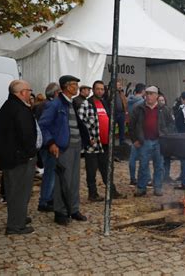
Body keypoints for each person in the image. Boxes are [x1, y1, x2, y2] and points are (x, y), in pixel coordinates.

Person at [39, 75, 89, 226]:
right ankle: (60, 212)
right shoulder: (55, 104)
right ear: (66, 87)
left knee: (74, 180)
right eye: (74, 84)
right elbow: (43, 125)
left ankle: (73, 209)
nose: (76, 87)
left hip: (75, 146)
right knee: (62, 180)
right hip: (63, 147)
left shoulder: (71, 103)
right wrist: (51, 143)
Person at [0, 80, 40, 235]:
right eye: (28, 90)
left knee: (17, 191)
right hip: (19, 158)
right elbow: (26, 135)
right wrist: (30, 153)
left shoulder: (10, 106)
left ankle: (18, 217)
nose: (30, 93)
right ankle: (15, 225)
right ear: (21, 93)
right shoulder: (18, 109)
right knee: (19, 191)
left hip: (13, 157)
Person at [78, 80, 124, 202]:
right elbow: (80, 122)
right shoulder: (86, 103)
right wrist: (87, 138)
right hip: (93, 144)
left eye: (102, 89)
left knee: (106, 169)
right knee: (91, 170)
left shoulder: (104, 103)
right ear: (93, 90)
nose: (100, 91)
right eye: (97, 89)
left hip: (105, 143)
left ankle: (112, 192)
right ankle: (92, 194)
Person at [129, 86, 174, 197]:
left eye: (152, 94)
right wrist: (134, 139)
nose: (149, 96)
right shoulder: (138, 108)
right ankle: (141, 188)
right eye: (147, 93)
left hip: (159, 141)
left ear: (157, 96)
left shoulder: (164, 109)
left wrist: (165, 135)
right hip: (144, 141)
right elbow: (131, 126)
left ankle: (157, 187)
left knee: (159, 166)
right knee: (143, 165)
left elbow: (171, 124)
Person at [36, 82, 61, 212]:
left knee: (51, 173)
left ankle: (49, 197)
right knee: (50, 174)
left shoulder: (42, 105)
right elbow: (45, 126)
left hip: (47, 144)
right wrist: (51, 142)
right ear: (56, 93)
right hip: (49, 145)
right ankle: (44, 201)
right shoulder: (48, 106)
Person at [127, 83, 146, 186]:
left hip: (132, 131)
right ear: (143, 91)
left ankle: (132, 178)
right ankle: (144, 179)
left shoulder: (129, 101)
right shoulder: (143, 103)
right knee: (144, 157)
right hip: (141, 132)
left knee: (133, 158)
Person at [157, 93, 174, 182]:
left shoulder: (167, 110)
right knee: (159, 158)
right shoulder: (155, 111)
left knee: (167, 157)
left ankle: (166, 175)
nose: (161, 102)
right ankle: (160, 175)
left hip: (166, 137)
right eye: (159, 100)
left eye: (162, 100)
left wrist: (167, 131)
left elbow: (171, 123)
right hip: (158, 137)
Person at [115, 80, 129, 145]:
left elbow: (125, 102)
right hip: (114, 113)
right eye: (118, 85)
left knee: (122, 128)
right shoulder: (111, 93)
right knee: (112, 129)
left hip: (121, 113)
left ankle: (122, 142)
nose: (120, 86)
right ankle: (111, 142)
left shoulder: (121, 93)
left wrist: (125, 111)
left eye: (120, 85)